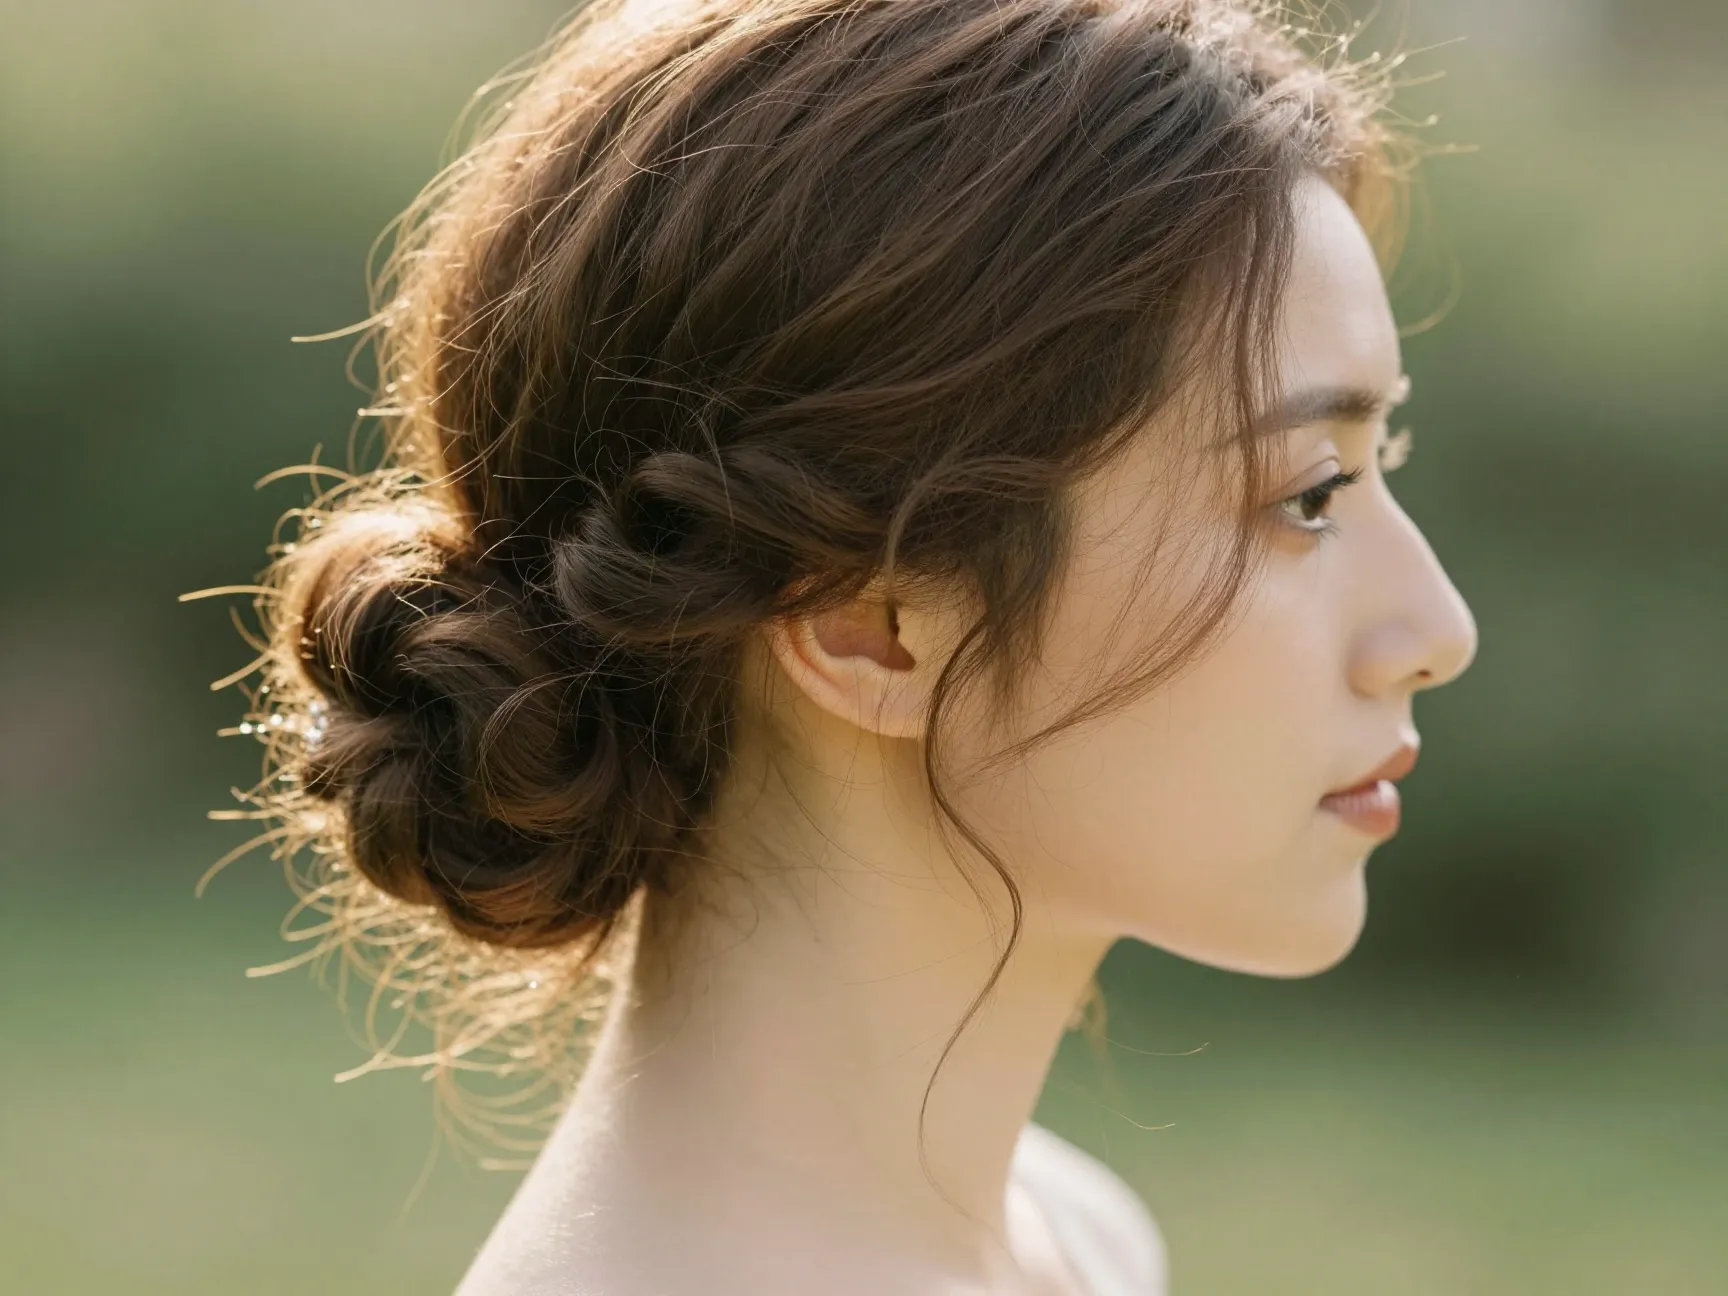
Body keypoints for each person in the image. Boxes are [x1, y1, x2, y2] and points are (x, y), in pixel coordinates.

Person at [227, 0, 1478, 1290]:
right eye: (1308, 494)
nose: (1439, 630)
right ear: (866, 625)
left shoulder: (1074, 1240)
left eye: (1380, 462)